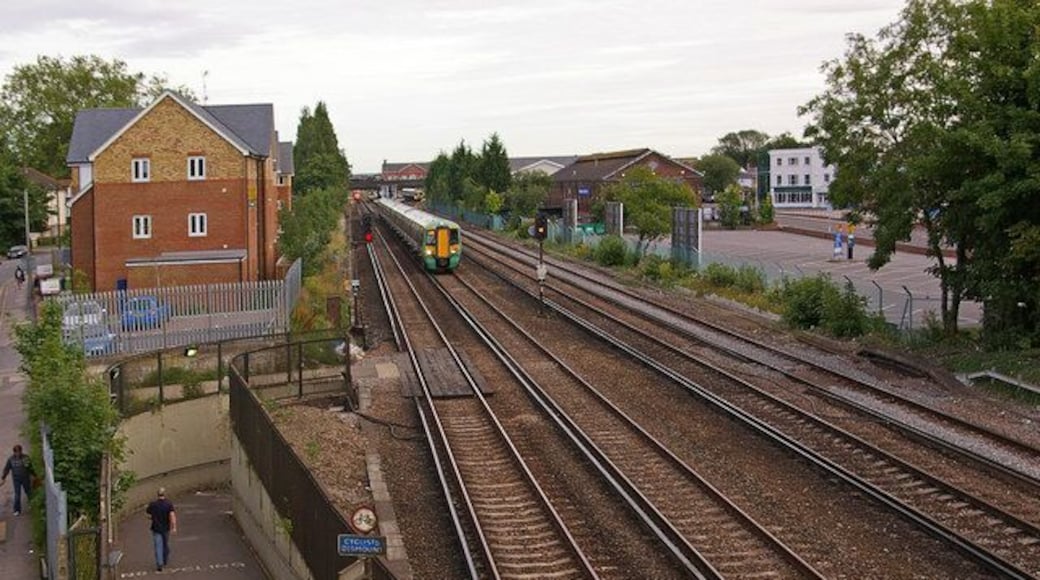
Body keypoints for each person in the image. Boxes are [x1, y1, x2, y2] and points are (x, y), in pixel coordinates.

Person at [146, 487, 177, 572]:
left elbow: (148, 514)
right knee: (165, 544)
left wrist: (152, 518)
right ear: (164, 494)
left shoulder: (152, 504)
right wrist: (174, 527)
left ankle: (160, 563)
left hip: (156, 528)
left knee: (158, 546)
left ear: (157, 494)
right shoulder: (168, 504)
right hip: (166, 528)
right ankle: (165, 558)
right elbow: (172, 516)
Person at [1, 444, 33, 516]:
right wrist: (3, 477)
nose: (18, 454)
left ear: (21, 451)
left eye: (19, 452)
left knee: (28, 491)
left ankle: (32, 504)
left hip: (25, 478)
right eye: (16, 452)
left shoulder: (25, 458)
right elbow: (7, 469)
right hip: (16, 479)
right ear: (14, 452)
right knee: (17, 494)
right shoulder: (11, 459)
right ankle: (17, 510)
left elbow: (30, 467)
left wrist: (34, 475)